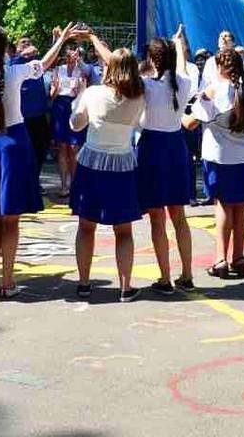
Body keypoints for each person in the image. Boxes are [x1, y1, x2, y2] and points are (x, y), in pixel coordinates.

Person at [0, 24, 77, 299]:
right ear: (6, 47)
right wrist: (61, 40)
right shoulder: (15, 71)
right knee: (11, 219)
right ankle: (8, 280)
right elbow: (43, 63)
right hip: (15, 143)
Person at [69, 40, 145, 302]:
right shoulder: (139, 97)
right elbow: (137, 124)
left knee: (86, 226)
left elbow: (76, 125)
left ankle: (84, 283)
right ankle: (125, 287)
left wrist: (78, 96)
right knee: (123, 231)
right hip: (122, 164)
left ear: (109, 68)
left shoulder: (93, 93)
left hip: (92, 164)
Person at [191, 48, 244, 279]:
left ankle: (221, 258)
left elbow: (191, 122)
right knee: (242, 204)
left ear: (219, 67)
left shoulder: (213, 91)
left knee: (223, 205)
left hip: (220, 156)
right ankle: (239, 256)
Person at [137, 35, 194, 294]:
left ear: (152, 59)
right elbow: (181, 67)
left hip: (152, 148)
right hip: (176, 147)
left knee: (157, 219)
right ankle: (187, 273)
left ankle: (165, 277)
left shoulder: (147, 85)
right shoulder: (183, 82)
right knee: (179, 217)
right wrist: (179, 46)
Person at [11, 35, 51, 184]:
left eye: (30, 42)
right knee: (23, 151)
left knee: (40, 149)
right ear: (17, 47)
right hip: (22, 117)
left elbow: (50, 59)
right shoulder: (14, 64)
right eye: (23, 43)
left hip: (40, 115)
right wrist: (23, 55)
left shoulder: (37, 64)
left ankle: (34, 180)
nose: (28, 44)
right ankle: (21, 181)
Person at [50, 46, 89, 196]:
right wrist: (57, 87)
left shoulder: (82, 71)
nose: (71, 56)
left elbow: (85, 92)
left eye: (74, 54)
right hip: (60, 107)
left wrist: (79, 89)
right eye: (68, 54)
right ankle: (64, 185)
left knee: (74, 147)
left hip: (76, 106)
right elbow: (52, 95)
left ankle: (75, 184)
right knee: (63, 146)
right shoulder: (58, 70)